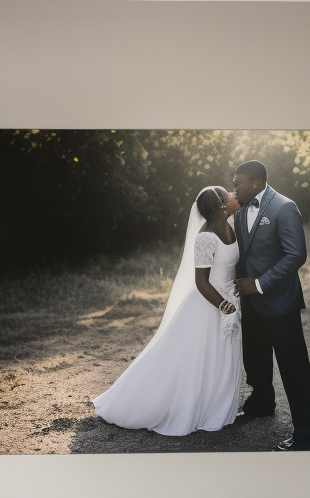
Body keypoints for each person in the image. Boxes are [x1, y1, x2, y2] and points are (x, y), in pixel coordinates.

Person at [92, 186, 243, 436]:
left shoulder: (232, 226)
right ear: (220, 206)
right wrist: (222, 305)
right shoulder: (205, 237)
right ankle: (139, 403)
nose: (231, 193)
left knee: (220, 358)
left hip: (230, 302)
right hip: (208, 306)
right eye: (226, 193)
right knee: (194, 360)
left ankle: (215, 406)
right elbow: (201, 282)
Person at [231, 160, 310, 451]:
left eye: (238, 181)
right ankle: (261, 403)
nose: (234, 186)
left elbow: (296, 255)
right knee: (255, 358)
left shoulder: (284, 207)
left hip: (280, 304)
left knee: (293, 368)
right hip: (251, 304)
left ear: (256, 183)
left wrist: (258, 284)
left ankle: (307, 433)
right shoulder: (241, 207)